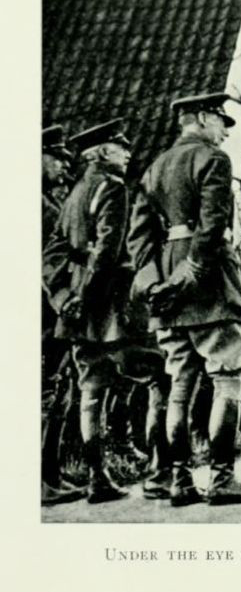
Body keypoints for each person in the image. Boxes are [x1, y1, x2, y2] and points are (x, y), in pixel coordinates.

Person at [127, 92, 241, 506]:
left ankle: (179, 481)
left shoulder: (154, 168)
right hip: (207, 282)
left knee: (180, 384)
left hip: (167, 287)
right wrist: (192, 273)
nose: (226, 131)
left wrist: (156, 282)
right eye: (222, 121)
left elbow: (138, 237)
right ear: (204, 118)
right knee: (228, 374)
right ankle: (222, 478)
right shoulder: (213, 160)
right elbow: (212, 225)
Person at [43, 118, 168, 504]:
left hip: (78, 315)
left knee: (91, 389)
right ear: (102, 152)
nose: (128, 153)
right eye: (120, 147)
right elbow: (109, 251)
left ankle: (99, 478)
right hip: (112, 308)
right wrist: (91, 297)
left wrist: (65, 299)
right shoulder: (112, 187)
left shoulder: (73, 194)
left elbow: (50, 255)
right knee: (160, 377)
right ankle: (161, 470)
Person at [40, 125, 85, 506]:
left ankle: (50, 473)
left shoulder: (48, 202)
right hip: (40, 315)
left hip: (51, 314)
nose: (63, 168)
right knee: (44, 393)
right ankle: (38, 479)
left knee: (59, 393)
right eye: (57, 159)